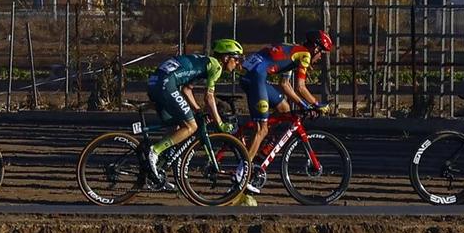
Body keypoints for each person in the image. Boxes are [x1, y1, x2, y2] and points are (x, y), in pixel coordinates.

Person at [143, 38, 245, 182]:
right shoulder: (216, 66)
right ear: (226, 57)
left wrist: (197, 110)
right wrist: (220, 123)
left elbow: (187, 89)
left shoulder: (204, 62)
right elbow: (209, 98)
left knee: (176, 127)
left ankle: (158, 172)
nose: (238, 64)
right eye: (236, 59)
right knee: (191, 126)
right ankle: (154, 151)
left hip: (155, 82)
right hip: (166, 84)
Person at [237, 29, 333, 174]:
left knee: (284, 109)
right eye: (321, 53)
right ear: (315, 48)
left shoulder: (294, 50)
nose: (320, 57)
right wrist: (317, 104)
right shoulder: (305, 55)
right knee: (261, 129)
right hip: (256, 77)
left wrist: (304, 105)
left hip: (252, 75)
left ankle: (264, 145)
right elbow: (300, 87)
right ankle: (242, 174)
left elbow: (285, 85)